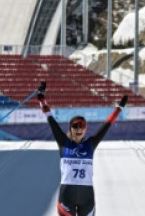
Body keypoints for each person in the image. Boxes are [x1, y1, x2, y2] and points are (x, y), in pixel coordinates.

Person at [38, 81, 128, 216]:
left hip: (87, 199)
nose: (78, 129)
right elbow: (50, 118)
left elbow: (107, 125)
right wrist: (41, 99)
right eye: (75, 126)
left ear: (85, 129)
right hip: (66, 197)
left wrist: (119, 108)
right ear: (70, 129)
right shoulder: (63, 142)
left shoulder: (90, 144)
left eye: (82, 126)